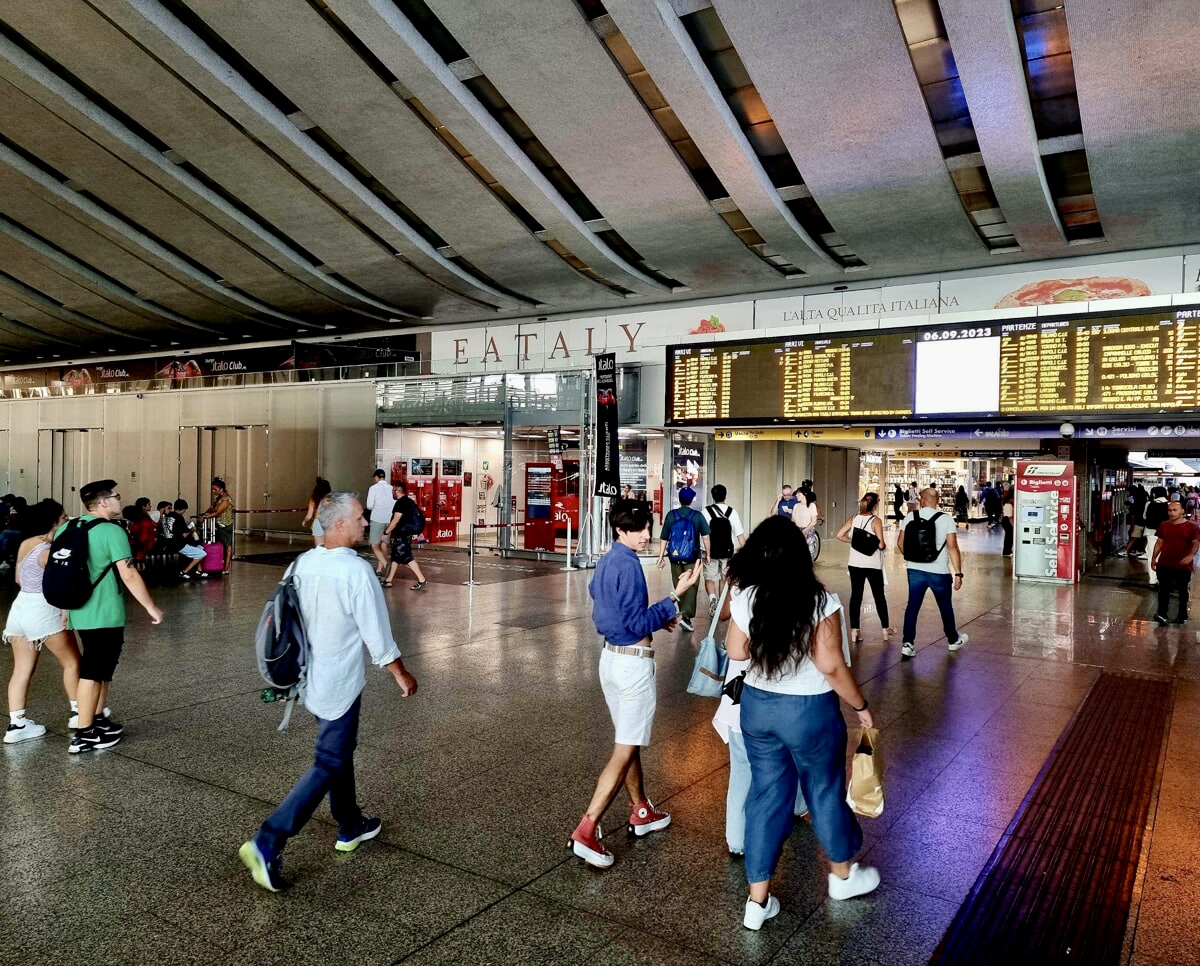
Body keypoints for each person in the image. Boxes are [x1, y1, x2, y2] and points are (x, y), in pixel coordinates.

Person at [239, 492, 418, 892]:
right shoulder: (355, 572)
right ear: (337, 525)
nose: (363, 521)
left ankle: (350, 823)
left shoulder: (304, 562)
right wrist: (400, 673)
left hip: (309, 678)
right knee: (329, 759)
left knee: (339, 752)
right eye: (358, 517)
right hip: (339, 682)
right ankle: (269, 840)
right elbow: (378, 634)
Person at [724, 517, 879, 930]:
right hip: (808, 712)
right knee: (824, 789)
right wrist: (860, 705)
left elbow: (736, 652)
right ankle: (843, 877)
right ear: (802, 553)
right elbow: (830, 664)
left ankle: (757, 903)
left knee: (766, 795)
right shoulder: (819, 601)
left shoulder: (748, 597)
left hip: (757, 709)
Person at [568, 501, 701, 869]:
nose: (647, 535)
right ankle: (587, 827)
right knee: (625, 746)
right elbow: (635, 619)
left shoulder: (610, 559)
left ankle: (641, 808)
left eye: (648, 528)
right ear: (621, 530)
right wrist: (675, 596)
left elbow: (599, 595)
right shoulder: (628, 563)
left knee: (629, 740)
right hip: (632, 667)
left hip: (610, 659)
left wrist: (655, 619)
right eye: (640, 529)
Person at [59, 481, 163, 753]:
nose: (119, 500)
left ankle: (96, 719)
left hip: (79, 610)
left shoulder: (68, 527)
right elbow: (129, 573)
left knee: (100, 669)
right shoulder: (110, 531)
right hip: (103, 612)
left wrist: (63, 608)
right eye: (116, 497)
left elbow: (59, 570)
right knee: (93, 671)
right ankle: (84, 734)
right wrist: (151, 607)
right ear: (104, 502)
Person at [3, 500, 81, 743]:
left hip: (20, 608)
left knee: (22, 669)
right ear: (53, 522)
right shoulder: (50, 550)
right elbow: (60, 584)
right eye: (64, 517)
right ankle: (79, 713)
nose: (67, 521)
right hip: (43, 608)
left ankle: (17, 725)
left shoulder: (26, 544)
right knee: (72, 662)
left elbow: (18, 578)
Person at [898, 487, 967, 660]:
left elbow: (900, 543)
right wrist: (958, 573)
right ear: (937, 500)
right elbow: (952, 547)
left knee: (912, 606)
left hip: (914, 570)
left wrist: (912, 558)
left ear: (921, 499)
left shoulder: (910, 517)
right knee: (945, 606)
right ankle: (953, 640)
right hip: (939, 571)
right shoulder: (945, 519)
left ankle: (908, 644)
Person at [835, 493, 890, 642]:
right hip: (872, 564)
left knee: (856, 596)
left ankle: (855, 631)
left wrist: (854, 541)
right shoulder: (876, 521)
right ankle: (885, 630)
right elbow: (881, 544)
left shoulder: (854, 518)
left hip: (855, 564)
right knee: (879, 596)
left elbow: (839, 535)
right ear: (876, 505)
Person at [656, 487, 709, 632]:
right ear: (692, 500)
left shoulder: (671, 515)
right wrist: (708, 554)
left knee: (679, 586)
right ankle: (686, 618)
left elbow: (664, 537)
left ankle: (684, 615)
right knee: (691, 586)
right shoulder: (697, 516)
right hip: (693, 557)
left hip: (674, 557)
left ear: (679, 499)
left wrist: (661, 557)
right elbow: (705, 537)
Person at [1151, 500, 1200, 625]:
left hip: (1183, 566)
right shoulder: (1164, 525)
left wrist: (1190, 555)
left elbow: (1195, 543)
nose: (1171, 513)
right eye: (1169, 510)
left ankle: (1182, 615)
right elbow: (1159, 542)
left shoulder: (1191, 526)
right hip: (1165, 563)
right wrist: (1153, 558)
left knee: (1183, 591)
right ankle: (1162, 614)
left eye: (1175, 510)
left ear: (1182, 511)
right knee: (1164, 590)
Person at [703, 484, 745, 616]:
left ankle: (712, 599)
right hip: (727, 552)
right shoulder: (732, 512)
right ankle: (721, 604)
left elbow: (702, 534)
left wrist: (705, 552)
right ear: (725, 496)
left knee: (709, 577)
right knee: (724, 578)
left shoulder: (705, 512)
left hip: (710, 552)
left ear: (713, 496)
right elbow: (740, 536)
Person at [381, 482, 428, 590]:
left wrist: (386, 533)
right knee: (396, 557)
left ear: (397, 491)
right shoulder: (408, 501)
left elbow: (395, 520)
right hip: (404, 534)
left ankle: (422, 579)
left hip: (402, 534)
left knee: (407, 558)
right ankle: (388, 580)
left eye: (393, 490)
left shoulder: (400, 503)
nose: (392, 492)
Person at [162, 499, 209, 580]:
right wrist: (192, 530)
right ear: (183, 509)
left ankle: (199, 571)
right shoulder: (179, 518)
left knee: (200, 548)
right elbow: (184, 535)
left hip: (168, 543)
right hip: (178, 545)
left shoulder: (167, 516)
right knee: (202, 554)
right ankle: (184, 572)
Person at [197, 477, 234, 574]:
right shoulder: (218, 499)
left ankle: (226, 569)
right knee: (219, 545)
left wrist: (205, 518)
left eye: (215, 489)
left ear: (221, 489)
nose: (213, 491)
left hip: (225, 526)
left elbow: (217, 512)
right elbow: (211, 508)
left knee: (228, 547)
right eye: (212, 489)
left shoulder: (226, 499)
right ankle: (217, 565)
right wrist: (204, 514)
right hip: (218, 525)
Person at [365, 469, 394, 577]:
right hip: (389, 520)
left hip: (377, 519)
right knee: (384, 544)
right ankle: (379, 569)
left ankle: (386, 565)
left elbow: (369, 506)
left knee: (374, 545)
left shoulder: (373, 488)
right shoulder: (391, 488)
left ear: (377, 477)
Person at [1144, 486, 1170, 586]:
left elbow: (1144, 517)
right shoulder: (1169, 505)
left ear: (1154, 494)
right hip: (1166, 533)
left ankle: (1153, 580)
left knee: (1152, 555)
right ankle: (1164, 578)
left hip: (1151, 532)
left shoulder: (1150, 504)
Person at [303, 477, 332, 547]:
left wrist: (304, 520)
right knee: (330, 547)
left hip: (318, 522)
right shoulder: (331, 499)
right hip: (329, 522)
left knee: (319, 549)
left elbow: (309, 515)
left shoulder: (313, 499)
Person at [791, 490, 820, 562]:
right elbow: (793, 520)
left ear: (804, 494)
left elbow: (814, 522)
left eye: (798, 493)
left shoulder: (811, 505)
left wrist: (805, 530)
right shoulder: (796, 506)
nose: (796, 495)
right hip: (797, 530)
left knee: (809, 554)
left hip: (808, 530)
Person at [1001, 489, 1014, 556]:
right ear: (1010, 498)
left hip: (1005, 521)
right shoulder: (1009, 505)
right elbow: (1009, 517)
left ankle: (1007, 551)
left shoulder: (1006, 504)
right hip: (1007, 521)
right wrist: (1013, 525)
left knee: (1008, 537)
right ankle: (1007, 551)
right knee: (1009, 537)